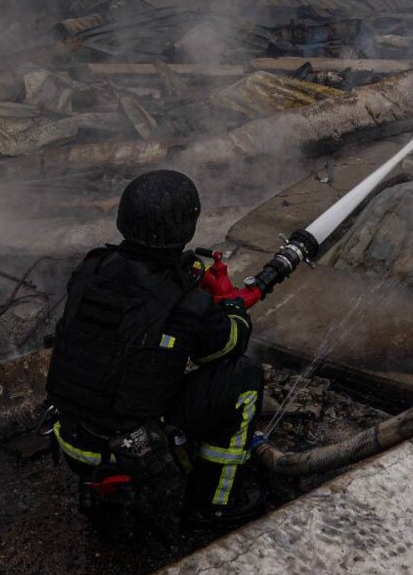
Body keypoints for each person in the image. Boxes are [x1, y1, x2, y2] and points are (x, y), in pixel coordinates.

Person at [46, 169, 266, 526]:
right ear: (187, 228)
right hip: (132, 451)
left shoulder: (90, 268)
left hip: (71, 438)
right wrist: (228, 305)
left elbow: (131, 313)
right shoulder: (187, 304)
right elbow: (226, 349)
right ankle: (215, 503)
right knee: (243, 378)